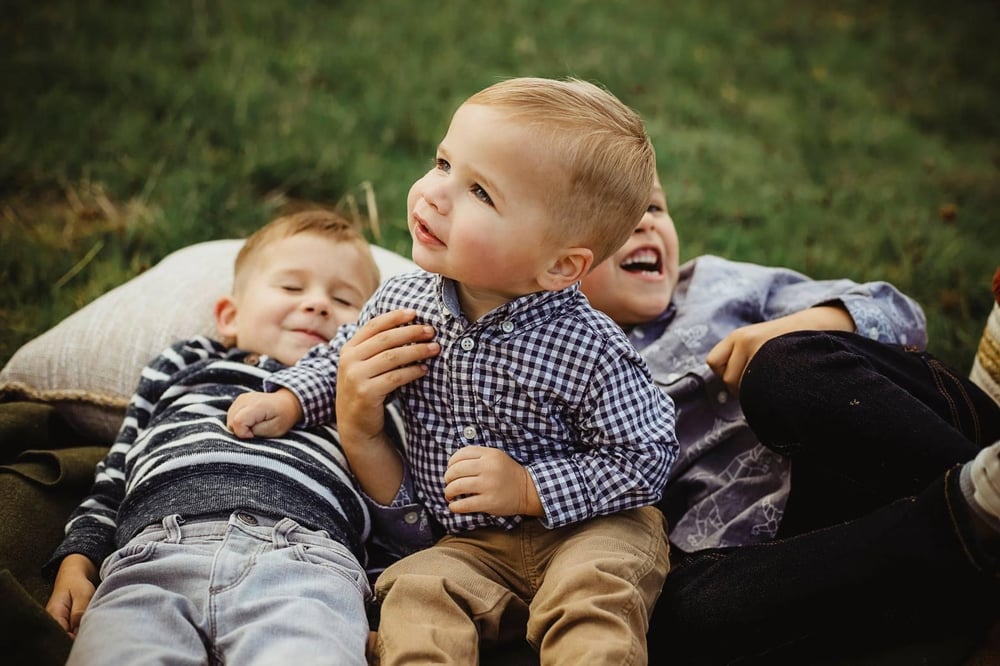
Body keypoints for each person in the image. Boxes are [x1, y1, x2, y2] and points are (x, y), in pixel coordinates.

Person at [227, 77, 678, 665]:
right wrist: (291, 399)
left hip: (592, 527)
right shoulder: (404, 302)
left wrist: (530, 487)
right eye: (443, 164)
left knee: (594, 594)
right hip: (471, 545)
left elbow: (647, 456)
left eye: (480, 192)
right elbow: (349, 356)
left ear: (560, 266)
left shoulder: (589, 347)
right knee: (416, 590)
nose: (435, 195)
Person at [579, 175, 1000, 663]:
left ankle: (986, 491)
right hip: (817, 545)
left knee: (781, 369)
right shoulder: (556, 379)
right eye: (615, 215)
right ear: (555, 262)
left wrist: (792, 330)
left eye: (654, 207)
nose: (644, 224)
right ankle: (966, 532)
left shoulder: (715, 284)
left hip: (893, 438)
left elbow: (899, 313)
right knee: (670, 613)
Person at [43, 210, 433, 666]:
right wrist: (78, 562)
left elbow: (399, 523)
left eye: (345, 300)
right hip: (153, 556)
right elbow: (115, 474)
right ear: (229, 317)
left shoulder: (377, 397)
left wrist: (374, 614)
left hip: (305, 564)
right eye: (292, 287)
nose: (318, 305)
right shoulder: (186, 366)